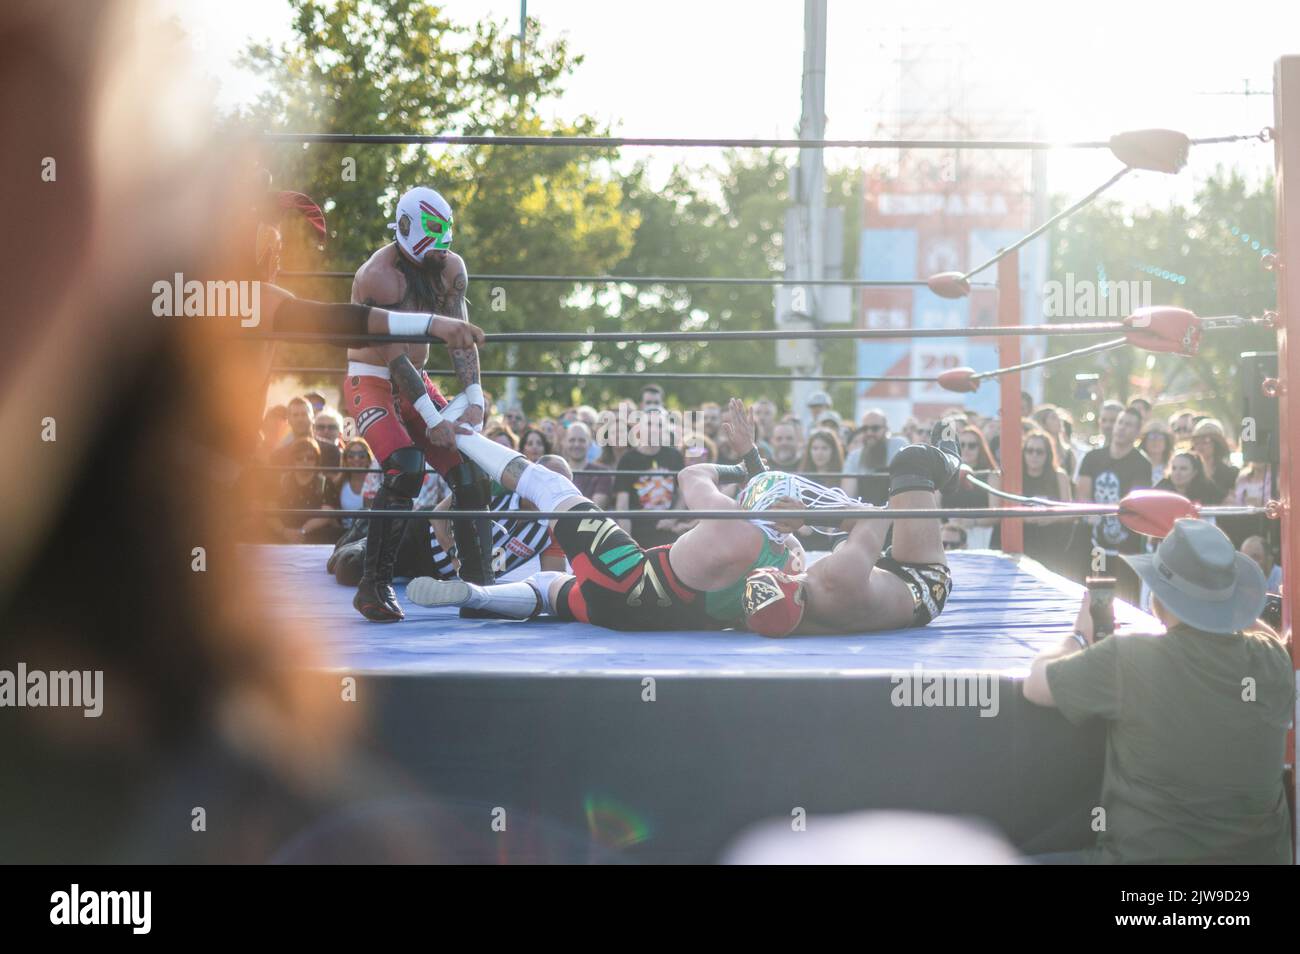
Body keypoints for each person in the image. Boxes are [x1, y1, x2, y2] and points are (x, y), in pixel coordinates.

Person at [1023, 519, 1293, 864]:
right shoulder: (1273, 661)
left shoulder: (1129, 658)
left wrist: (1078, 636)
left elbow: (1036, 683)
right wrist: (1225, 602)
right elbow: (1262, 634)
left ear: (1156, 599)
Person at [406, 399, 805, 631]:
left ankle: (459, 434)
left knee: (552, 486)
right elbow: (783, 525)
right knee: (548, 587)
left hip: (630, 576)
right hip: (637, 621)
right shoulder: (788, 563)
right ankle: (478, 595)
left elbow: (692, 474)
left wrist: (744, 463)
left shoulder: (732, 519)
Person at [345, 186, 496, 622]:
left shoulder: (450, 267)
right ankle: (373, 586)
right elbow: (393, 360)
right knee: (405, 468)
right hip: (373, 377)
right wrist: (431, 418)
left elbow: (461, 339)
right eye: (433, 231)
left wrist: (474, 401)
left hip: (419, 377)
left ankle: (478, 587)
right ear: (407, 226)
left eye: (447, 231)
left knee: (469, 472)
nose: (442, 243)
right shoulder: (377, 275)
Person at [739, 436, 962, 637]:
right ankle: (951, 461)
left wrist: (751, 457)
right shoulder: (839, 574)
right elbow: (876, 516)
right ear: (788, 581)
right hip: (921, 578)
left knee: (843, 543)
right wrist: (806, 515)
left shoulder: (775, 621)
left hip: (878, 592)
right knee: (913, 460)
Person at [1075, 407, 1151, 602]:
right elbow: (1082, 494)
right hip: (1095, 545)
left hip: (1126, 547)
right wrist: (1091, 512)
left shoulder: (1142, 464)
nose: (1122, 428)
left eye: (1129, 425)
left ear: (1136, 432)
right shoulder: (1093, 458)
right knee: (1096, 590)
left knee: (1125, 597)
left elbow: (1134, 501)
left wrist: (1106, 513)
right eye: (1120, 422)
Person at [614, 408, 687, 549]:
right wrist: (628, 544)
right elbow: (622, 505)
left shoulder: (675, 456)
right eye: (648, 424)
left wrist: (672, 519)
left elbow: (684, 493)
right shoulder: (628, 459)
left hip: (669, 533)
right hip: (638, 533)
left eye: (659, 425)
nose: (653, 429)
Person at [1019, 429, 1074, 576]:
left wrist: (1050, 517)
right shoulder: (1016, 477)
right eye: (1029, 451)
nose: (1034, 456)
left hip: (1052, 543)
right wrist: (1025, 517)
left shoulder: (1059, 476)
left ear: (1048, 454)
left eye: (1039, 452)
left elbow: (1070, 513)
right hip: (1024, 541)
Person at [940, 425, 1000, 550]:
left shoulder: (992, 476)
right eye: (962, 445)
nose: (966, 449)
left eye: (972, 445)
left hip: (981, 536)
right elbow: (934, 508)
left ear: (981, 448)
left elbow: (996, 513)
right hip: (948, 538)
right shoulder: (944, 474)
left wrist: (972, 522)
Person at [563, 422, 612, 508]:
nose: (576, 444)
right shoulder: (556, 473)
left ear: (590, 443)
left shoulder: (602, 473)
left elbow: (595, 508)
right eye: (572, 440)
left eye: (582, 440)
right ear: (564, 443)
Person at [1191, 418, 1238, 505]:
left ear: (1217, 443)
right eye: (1196, 441)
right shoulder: (1190, 470)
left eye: (1205, 441)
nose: (1200, 446)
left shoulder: (1231, 473)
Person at [1155, 452, 1221, 508]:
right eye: (1174, 468)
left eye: (1183, 469)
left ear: (1194, 472)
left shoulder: (1209, 490)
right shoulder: (1161, 490)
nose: (1177, 473)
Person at [1137, 419, 1174, 485]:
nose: (1156, 441)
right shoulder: (1136, 464)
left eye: (1160, 437)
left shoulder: (1173, 466)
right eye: (1151, 437)